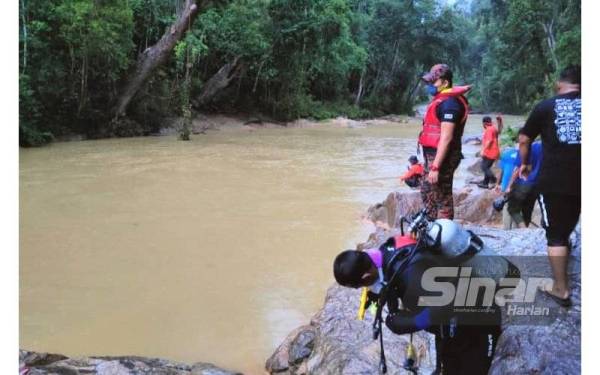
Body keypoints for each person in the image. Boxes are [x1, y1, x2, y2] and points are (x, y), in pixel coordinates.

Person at [333, 218, 514, 374]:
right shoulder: (386, 251)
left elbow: (448, 307)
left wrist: (406, 323)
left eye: (357, 285)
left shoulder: (411, 278)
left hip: (478, 318)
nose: (360, 289)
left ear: (366, 276)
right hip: (453, 311)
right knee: (447, 359)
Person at [519, 64, 581, 307]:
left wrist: (524, 164)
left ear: (559, 84)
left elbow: (524, 139)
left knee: (556, 235)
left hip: (557, 180)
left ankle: (561, 289)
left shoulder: (546, 107)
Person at [418, 64, 470, 220]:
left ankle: (443, 234)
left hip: (443, 156)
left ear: (445, 83)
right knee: (427, 189)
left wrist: (435, 167)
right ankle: (431, 226)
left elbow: (446, 138)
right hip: (433, 155)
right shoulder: (441, 100)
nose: (429, 86)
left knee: (442, 195)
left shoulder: (450, 104)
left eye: (433, 82)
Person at [505, 138, 543, 228]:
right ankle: (525, 231)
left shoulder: (524, 148)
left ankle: (524, 230)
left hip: (523, 183)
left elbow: (518, 169)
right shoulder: (543, 147)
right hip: (537, 185)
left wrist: (509, 186)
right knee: (528, 210)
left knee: (513, 209)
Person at [478, 116, 501, 189]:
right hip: (494, 152)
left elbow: (489, 141)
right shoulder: (493, 128)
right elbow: (499, 131)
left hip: (490, 152)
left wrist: (483, 150)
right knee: (487, 167)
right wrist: (500, 122)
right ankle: (485, 183)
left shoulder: (489, 130)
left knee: (484, 167)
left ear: (484, 123)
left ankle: (494, 179)